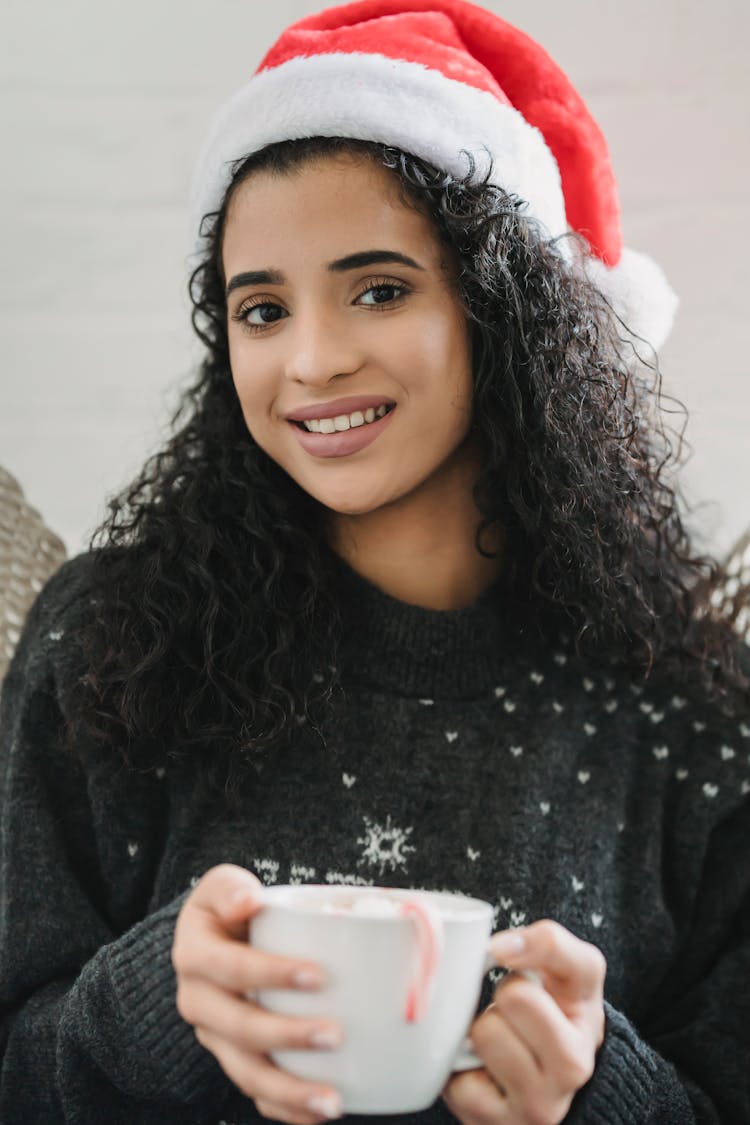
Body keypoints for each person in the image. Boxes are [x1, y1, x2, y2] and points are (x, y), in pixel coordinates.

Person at [1, 1, 749, 1122]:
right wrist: (162, 999)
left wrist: (597, 1095)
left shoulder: (695, 715)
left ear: (510, 312)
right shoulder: (109, 641)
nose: (309, 360)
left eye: (381, 289)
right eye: (261, 309)